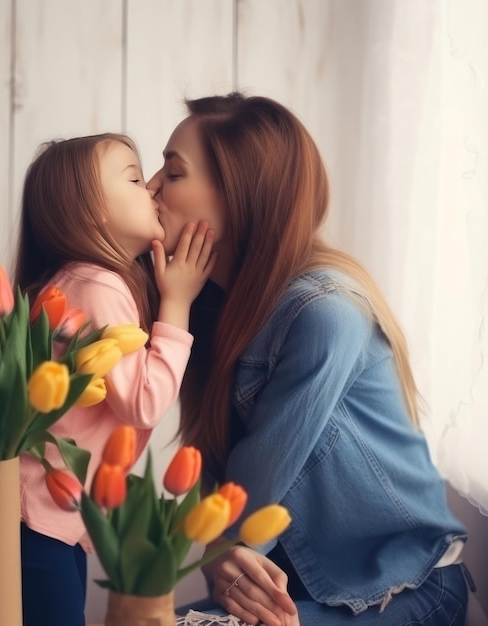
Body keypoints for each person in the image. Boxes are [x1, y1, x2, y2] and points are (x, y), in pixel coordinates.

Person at [147, 93, 471, 626]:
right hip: (300, 593)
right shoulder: (205, 312)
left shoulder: (322, 312)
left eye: (173, 172)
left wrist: (221, 554)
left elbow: (247, 508)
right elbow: (218, 504)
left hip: (405, 591)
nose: (154, 188)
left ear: (237, 195)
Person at [13, 133, 215, 626]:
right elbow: (144, 402)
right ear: (88, 214)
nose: (150, 186)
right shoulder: (97, 285)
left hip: (50, 512)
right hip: (43, 515)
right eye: (132, 177)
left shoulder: (87, 281)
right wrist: (178, 304)